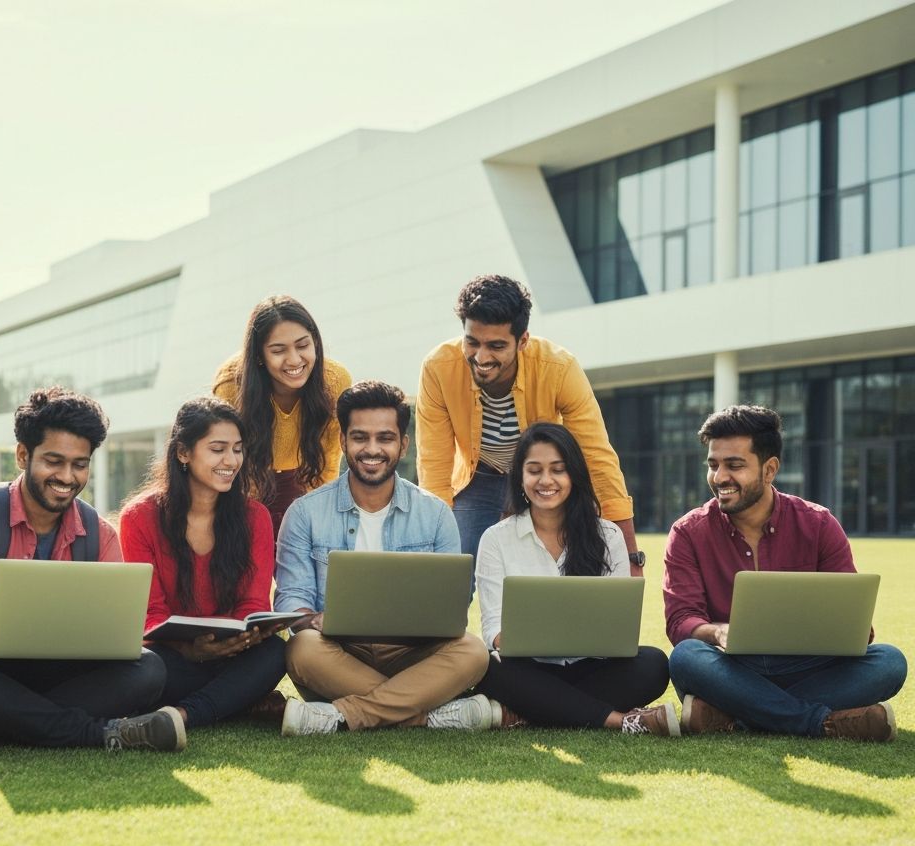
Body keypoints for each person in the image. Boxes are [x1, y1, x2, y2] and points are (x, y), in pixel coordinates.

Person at [0, 387, 181, 753]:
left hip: (64, 675)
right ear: (22, 455)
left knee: (149, 668)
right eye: (54, 461)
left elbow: (116, 630)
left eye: (79, 464)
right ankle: (98, 734)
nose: (67, 476)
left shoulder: (100, 534)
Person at [664, 405, 907, 741]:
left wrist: (848, 628)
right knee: (687, 657)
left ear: (770, 469)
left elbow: (857, 628)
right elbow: (680, 621)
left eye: (734, 465)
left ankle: (735, 715)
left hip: (807, 668)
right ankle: (821, 722)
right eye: (713, 465)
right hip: (732, 668)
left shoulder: (818, 524)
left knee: (890, 663)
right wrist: (718, 633)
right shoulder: (688, 532)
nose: (720, 477)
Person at [274, 380, 491, 735]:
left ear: (403, 444)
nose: (371, 449)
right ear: (343, 441)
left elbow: (450, 611)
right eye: (360, 437)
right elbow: (291, 602)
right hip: (339, 654)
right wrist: (314, 620)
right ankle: (428, 713)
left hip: (413, 655)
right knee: (301, 648)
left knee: (473, 651)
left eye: (385, 438)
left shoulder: (435, 514)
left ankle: (341, 716)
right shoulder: (304, 513)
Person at [416, 274, 642, 573]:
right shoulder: (438, 368)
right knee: (452, 569)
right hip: (477, 476)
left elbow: (597, 458)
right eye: (472, 342)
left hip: (538, 474)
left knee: (561, 566)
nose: (481, 357)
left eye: (496, 346)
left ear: (523, 340)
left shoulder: (559, 368)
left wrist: (630, 556)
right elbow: (434, 465)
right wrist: (434, 554)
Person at [474, 422, 677, 735]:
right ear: (520, 476)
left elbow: (617, 631)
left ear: (574, 475)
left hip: (593, 667)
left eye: (558, 469)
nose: (546, 480)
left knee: (653, 664)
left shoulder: (608, 535)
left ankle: (530, 711)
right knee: (486, 668)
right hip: (528, 668)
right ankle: (620, 721)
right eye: (534, 470)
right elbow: (494, 632)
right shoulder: (496, 539)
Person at [119, 398, 287, 730]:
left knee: (275, 654)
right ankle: (237, 701)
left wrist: (234, 642)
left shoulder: (255, 517)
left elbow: (254, 603)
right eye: (218, 449)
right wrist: (191, 649)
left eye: (237, 449)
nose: (231, 461)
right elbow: (149, 612)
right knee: (146, 669)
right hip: (173, 657)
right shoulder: (139, 517)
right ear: (183, 452)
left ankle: (182, 715)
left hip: (234, 655)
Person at [213, 295, 352, 538]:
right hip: (246, 484)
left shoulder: (336, 380)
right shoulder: (231, 383)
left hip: (303, 480)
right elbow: (228, 463)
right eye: (278, 350)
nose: (295, 360)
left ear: (316, 343)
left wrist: (318, 522)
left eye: (302, 345)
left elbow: (327, 465)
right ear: (259, 355)